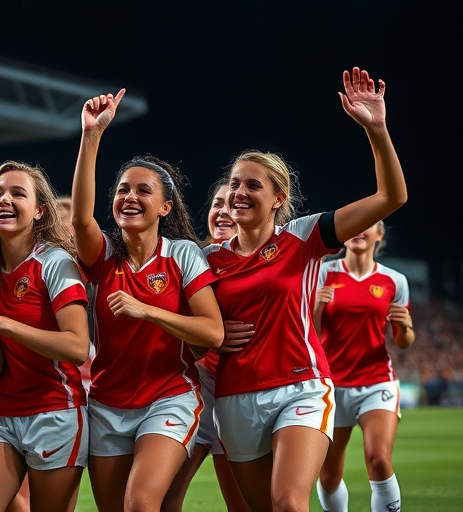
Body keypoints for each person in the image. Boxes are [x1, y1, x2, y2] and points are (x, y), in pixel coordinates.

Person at [203, 66, 407, 511]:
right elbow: (175, 315)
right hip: (234, 399)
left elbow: (390, 197)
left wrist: (377, 130)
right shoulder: (205, 261)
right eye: (234, 183)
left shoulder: (303, 236)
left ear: (278, 198)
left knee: (289, 503)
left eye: (252, 185)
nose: (238, 191)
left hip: (301, 387)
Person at [71, 89, 224, 511]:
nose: (130, 197)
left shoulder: (182, 255)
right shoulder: (101, 256)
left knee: (140, 504)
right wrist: (91, 135)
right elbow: (81, 219)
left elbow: (212, 332)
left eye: (143, 190)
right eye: (122, 190)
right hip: (106, 403)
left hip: (168, 396)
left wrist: (149, 311)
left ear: (165, 206)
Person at [0, 161, 91, 512]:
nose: (4, 199)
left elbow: (76, 347)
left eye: (17, 193)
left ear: (40, 210)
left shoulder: (56, 262)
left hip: (55, 413)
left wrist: (2, 323)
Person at [314, 221, 415, 512]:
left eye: (368, 225)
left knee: (379, 458)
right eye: (354, 225)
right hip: (331, 386)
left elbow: (404, 341)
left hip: (376, 382)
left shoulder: (395, 281)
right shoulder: (322, 274)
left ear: (379, 235)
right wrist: (316, 305)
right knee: (329, 474)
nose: (359, 230)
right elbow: (306, 330)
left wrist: (405, 327)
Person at [163, 177, 249, 512]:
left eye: (231, 204)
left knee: (241, 504)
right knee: (165, 500)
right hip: (196, 393)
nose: (224, 211)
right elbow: (170, 330)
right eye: (217, 203)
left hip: (241, 395)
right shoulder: (189, 259)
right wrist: (209, 334)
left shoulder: (263, 263)